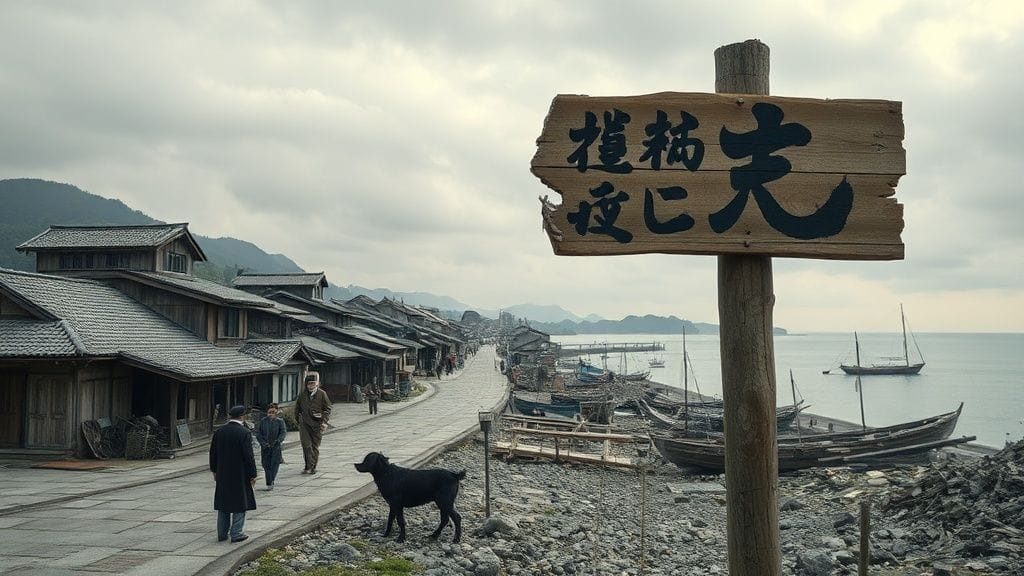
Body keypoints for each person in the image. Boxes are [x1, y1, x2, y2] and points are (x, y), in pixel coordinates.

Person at [210, 404, 257, 543]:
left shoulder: (220, 432)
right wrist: (252, 474)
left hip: (223, 473)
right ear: (242, 416)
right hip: (240, 473)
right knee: (240, 503)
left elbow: (213, 453)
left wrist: (214, 470)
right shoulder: (244, 433)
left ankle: (222, 533)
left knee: (223, 503)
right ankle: (236, 532)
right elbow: (249, 456)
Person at [295, 372, 331, 474]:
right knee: (306, 445)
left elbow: (328, 409)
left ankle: (313, 466)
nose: (311, 386)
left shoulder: (322, 394)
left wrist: (324, 421)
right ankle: (308, 466)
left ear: (317, 383)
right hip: (304, 424)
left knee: (315, 446)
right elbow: (297, 409)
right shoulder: (302, 395)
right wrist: (299, 421)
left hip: (317, 424)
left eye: (313, 383)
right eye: (309, 384)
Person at [255, 403, 287, 490]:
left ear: (276, 411)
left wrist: (278, 441)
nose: (271, 414)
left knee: (275, 464)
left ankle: (271, 480)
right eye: (270, 412)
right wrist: (262, 442)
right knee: (266, 464)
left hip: (276, 446)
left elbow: (283, 432)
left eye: (273, 412)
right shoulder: (263, 421)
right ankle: (269, 481)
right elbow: (258, 433)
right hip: (265, 446)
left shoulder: (280, 421)